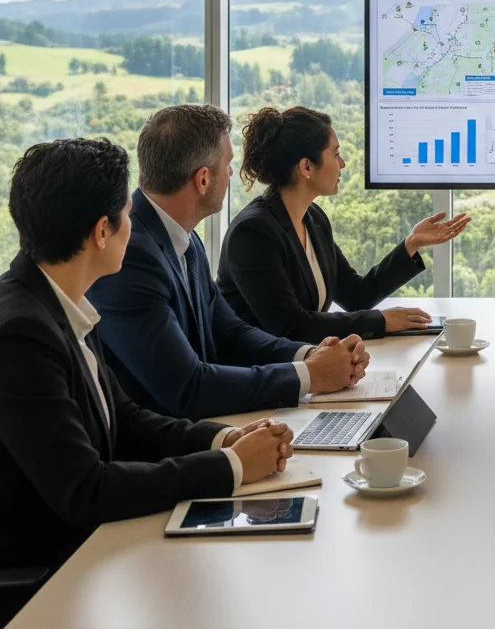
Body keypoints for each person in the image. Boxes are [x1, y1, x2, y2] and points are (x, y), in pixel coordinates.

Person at [0, 139, 294, 618]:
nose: (134, 224)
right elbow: (85, 490)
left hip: (96, 548)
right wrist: (231, 468)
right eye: (127, 213)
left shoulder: (61, 304)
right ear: (101, 231)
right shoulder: (20, 332)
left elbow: (126, 418)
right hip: (52, 579)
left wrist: (223, 439)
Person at [89, 105, 369, 420]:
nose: (232, 173)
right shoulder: (131, 256)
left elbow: (230, 332)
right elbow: (188, 388)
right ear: (203, 180)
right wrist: (311, 376)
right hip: (162, 449)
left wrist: (310, 356)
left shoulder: (183, 238)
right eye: (228, 164)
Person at [218, 106, 471, 342]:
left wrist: (411, 244)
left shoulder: (314, 218)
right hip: (258, 377)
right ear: (306, 166)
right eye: (335, 154)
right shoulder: (252, 234)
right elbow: (291, 327)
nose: (342, 164)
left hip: (299, 370)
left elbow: (356, 295)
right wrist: (381, 321)